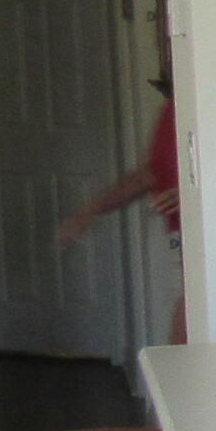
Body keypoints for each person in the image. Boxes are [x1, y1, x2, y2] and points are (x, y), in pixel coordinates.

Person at [59, 98, 184, 341]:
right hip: (182, 238)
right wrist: (89, 210)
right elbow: (148, 175)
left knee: (189, 329)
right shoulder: (173, 110)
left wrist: (197, 194)